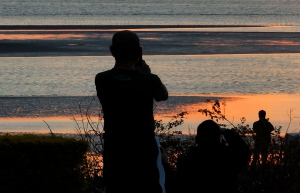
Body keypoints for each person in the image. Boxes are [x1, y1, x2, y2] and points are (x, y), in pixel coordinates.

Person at [95, 30, 169, 193]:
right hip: (143, 149)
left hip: (115, 147)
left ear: (112, 51)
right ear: (139, 52)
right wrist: (147, 73)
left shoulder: (101, 79)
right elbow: (163, 95)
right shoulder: (149, 80)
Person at [177, 120, 251, 192]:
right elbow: (245, 151)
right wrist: (226, 132)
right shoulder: (227, 158)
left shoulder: (186, 160)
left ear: (197, 139)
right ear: (218, 138)